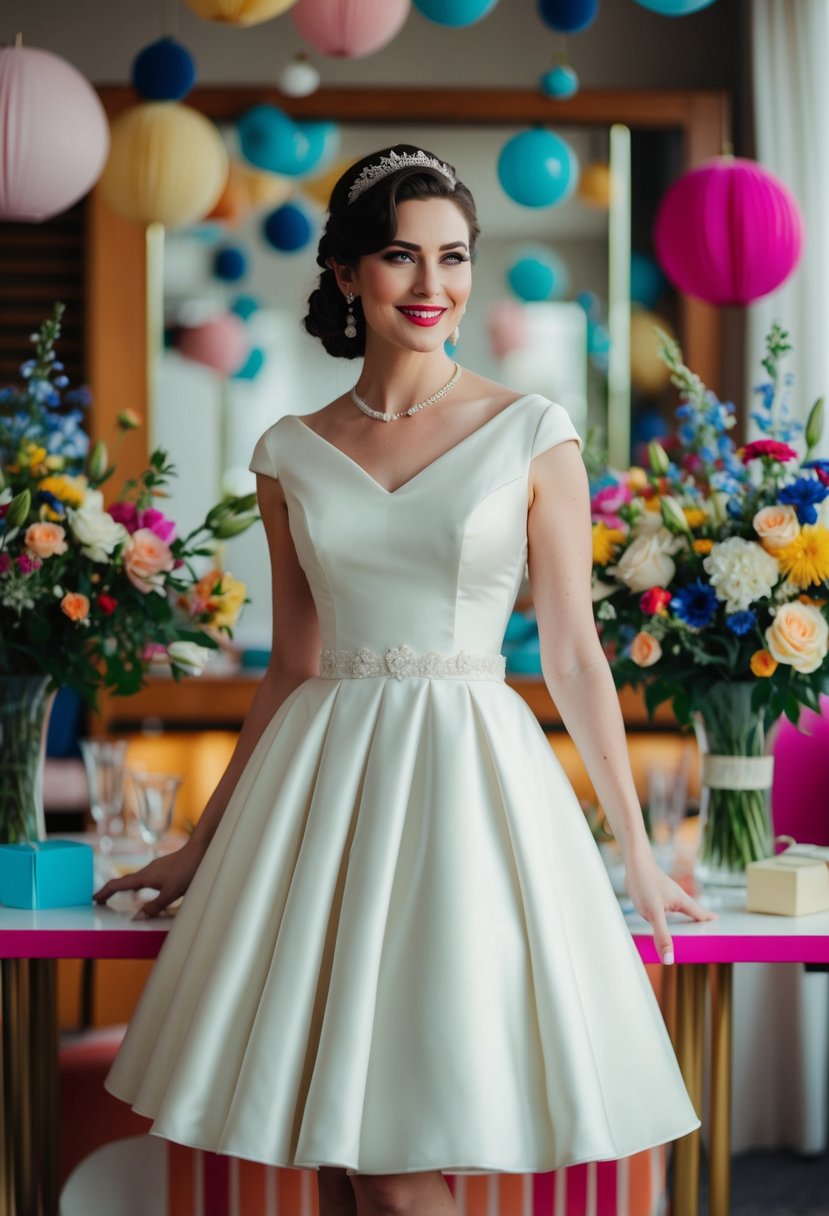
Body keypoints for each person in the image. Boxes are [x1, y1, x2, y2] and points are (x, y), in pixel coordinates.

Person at [94, 144, 716, 1216]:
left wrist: (640, 853)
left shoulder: (532, 430)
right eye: (399, 256)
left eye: (454, 257)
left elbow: (571, 652)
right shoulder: (289, 449)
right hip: (322, 789)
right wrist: (201, 845)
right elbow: (294, 662)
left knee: (391, 1148)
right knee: (346, 1140)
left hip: (469, 784)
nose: (433, 286)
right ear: (344, 273)